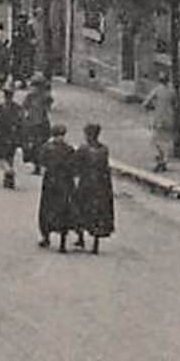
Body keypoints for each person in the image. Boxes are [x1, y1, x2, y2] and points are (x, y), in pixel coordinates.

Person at [73, 123, 115, 255]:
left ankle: (80, 237)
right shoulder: (104, 150)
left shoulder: (83, 149)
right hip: (101, 186)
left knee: (80, 208)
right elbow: (106, 169)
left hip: (86, 184)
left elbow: (76, 166)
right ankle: (95, 244)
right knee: (97, 214)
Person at [37, 124, 77, 252]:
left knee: (47, 208)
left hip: (51, 181)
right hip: (65, 182)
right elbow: (74, 166)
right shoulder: (69, 149)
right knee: (64, 210)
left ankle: (46, 236)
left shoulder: (46, 148)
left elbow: (42, 162)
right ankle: (62, 241)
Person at [0, 86, 24, 189]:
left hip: (2, 137)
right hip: (13, 137)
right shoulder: (18, 109)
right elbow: (21, 123)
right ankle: (8, 180)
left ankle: (9, 172)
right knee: (10, 157)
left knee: (1, 157)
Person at [142, 71, 176, 172]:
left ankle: (160, 161)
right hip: (170, 118)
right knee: (166, 141)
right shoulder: (172, 91)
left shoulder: (156, 90)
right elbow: (175, 103)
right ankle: (164, 161)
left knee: (155, 140)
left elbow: (146, 103)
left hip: (159, 119)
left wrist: (151, 107)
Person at [21, 78, 53, 175]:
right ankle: (36, 165)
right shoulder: (29, 97)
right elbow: (24, 108)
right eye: (33, 86)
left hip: (41, 125)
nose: (33, 89)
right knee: (32, 146)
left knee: (40, 146)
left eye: (35, 87)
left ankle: (39, 165)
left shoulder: (44, 97)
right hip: (31, 124)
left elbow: (48, 107)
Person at [11, 15, 36, 87]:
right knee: (16, 67)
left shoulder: (28, 28)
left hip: (25, 50)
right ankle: (17, 81)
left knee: (24, 67)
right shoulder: (17, 28)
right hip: (18, 50)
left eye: (22, 20)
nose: (20, 22)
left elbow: (31, 39)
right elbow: (14, 39)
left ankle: (23, 81)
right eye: (19, 20)